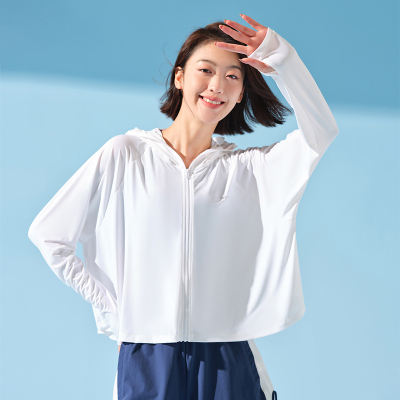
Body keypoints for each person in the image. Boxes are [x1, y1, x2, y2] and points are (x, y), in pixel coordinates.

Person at [28, 13, 338, 400]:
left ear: (241, 92)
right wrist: (116, 305)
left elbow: (321, 132)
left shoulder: (248, 170)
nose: (217, 85)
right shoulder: (127, 154)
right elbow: (48, 235)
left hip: (227, 356)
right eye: (205, 70)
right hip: (148, 355)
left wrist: (282, 58)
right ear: (179, 77)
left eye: (232, 76)